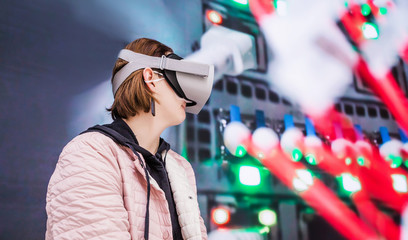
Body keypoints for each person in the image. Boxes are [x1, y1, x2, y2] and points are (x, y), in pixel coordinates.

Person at [45, 38, 210, 240]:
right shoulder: (90, 153)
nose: (187, 95)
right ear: (150, 78)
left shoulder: (179, 167)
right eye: (177, 75)